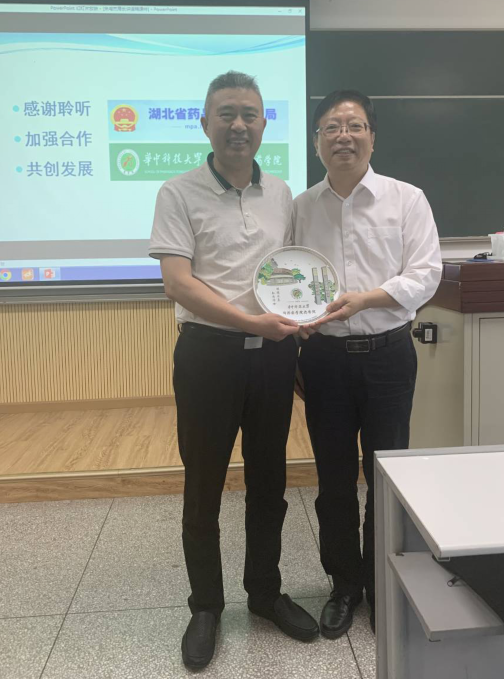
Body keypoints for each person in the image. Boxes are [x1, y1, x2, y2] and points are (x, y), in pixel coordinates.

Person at [149, 71, 319, 670]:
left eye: (249, 114)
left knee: (270, 482)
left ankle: (265, 593)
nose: (239, 125)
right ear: (205, 123)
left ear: (265, 124)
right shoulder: (177, 192)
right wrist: (252, 323)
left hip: (273, 358)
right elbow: (178, 283)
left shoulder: (283, 194)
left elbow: (291, 274)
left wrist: (300, 323)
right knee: (204, 485)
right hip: (208, 357)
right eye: (226, 114)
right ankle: (206, 607)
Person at [293, 89, 442, 638]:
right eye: (331, 127)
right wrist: (294, 319)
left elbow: (426, 274)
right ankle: (344, 585)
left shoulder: (407, 199)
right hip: (325, 360)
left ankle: (383, 582)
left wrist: (367, 299)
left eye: (354, 125)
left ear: (372, 137)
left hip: (388, 357)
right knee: (333, 479)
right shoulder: (300, 208)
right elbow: (282, 277)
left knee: (387, 475)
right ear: (316, 141)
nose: (343, 136)